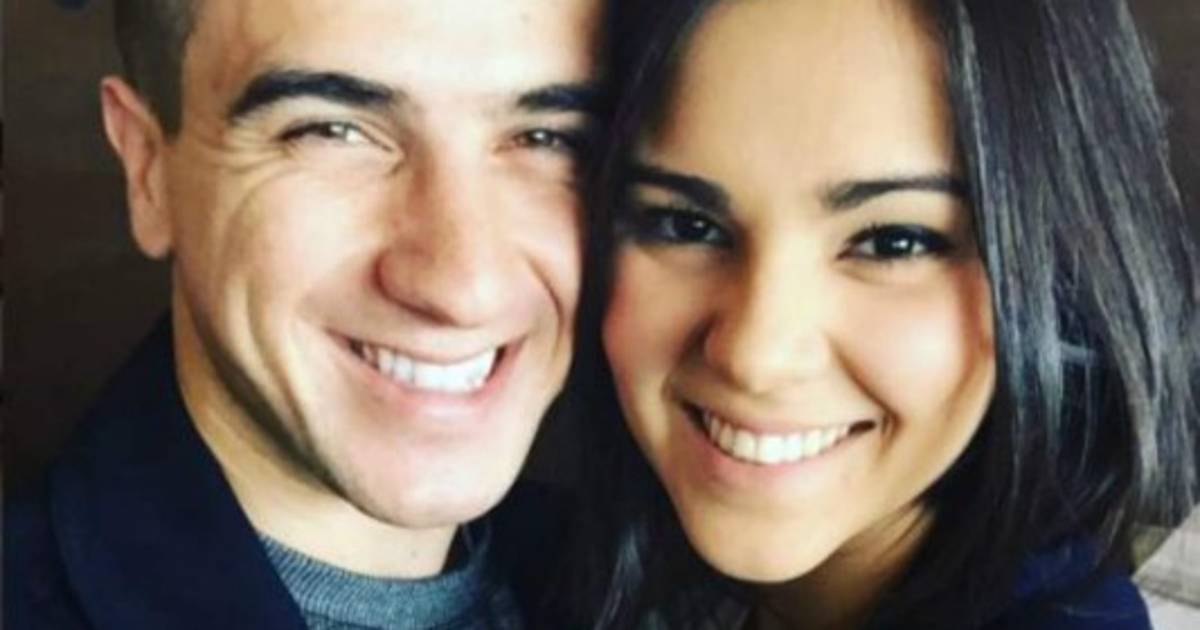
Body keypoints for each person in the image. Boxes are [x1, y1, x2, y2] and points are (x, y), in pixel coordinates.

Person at [564, 0, 1200, 627]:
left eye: (893, 242)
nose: (756, 357)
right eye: (686, 226)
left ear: (1058, 275)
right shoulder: (566, 563)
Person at [5, 0, 603, 627]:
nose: (462, 288)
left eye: (548, 139)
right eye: (331, 131)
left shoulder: (630, 578)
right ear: (147, 168)